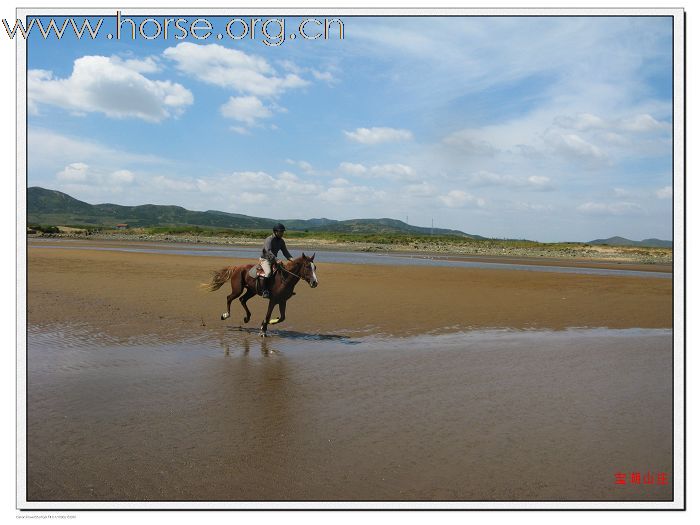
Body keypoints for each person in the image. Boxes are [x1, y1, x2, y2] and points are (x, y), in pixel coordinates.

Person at [259, 223, 293, 298]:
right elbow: (268, 251)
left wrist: (291, 259)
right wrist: (276, 259)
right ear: (275, 232)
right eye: (281, 232)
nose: (282, 233)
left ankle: (283, 289)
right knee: (268, 272)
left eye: (283, 232)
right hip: (265, 259)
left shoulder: (281, 241)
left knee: (284, 271)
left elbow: (285, 252)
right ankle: (265, 291)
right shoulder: (269, 239)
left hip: (273, 260)